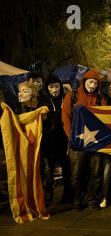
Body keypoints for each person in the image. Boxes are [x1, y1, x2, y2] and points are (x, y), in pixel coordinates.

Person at [61, 69, 107, 210]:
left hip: (94, 141)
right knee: (76, 173)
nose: (92, 85)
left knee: (95, 172)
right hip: (77, 141)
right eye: (90, 82)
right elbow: (65, 117)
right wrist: (71, 137)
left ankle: (93, 199)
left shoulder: (100, 99)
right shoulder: (72, 96)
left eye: (95, 83)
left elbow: (105, 119)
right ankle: (77, 199)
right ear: (84, 81)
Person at [40, 74, 72, 205]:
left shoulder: (66, 99)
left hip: (63, 141)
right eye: (51, 87)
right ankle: (48, 197)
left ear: (60, 86)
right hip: (48, 143)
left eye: (56, 86)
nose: (54, 89)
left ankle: (67, 195)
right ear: (47, 88)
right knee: (49, 170)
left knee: (67, 169)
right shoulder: (43, 101)